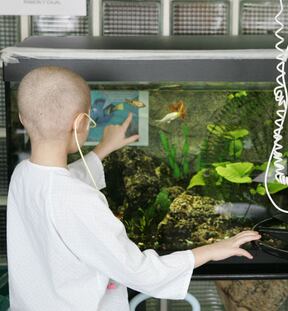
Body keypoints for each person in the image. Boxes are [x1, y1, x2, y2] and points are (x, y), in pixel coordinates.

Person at [7, 66, 261, 311]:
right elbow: (140, 272)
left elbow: (60, 184)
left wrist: (103, 149)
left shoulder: (23, 175)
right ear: (81, 123)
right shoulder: (78, 200)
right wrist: (211, 250)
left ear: (21, 118)